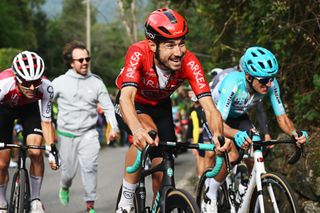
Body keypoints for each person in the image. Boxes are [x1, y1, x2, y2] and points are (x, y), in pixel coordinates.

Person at [114, 8, 225, 213]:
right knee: (146, 134)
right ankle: (126, 202)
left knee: (163, 174)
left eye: (182, 43)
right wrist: (137, 130)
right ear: (152, 44)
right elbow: (126, 97)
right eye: (170, 45)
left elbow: (209, 107)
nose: (178, 52)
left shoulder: (189, 62)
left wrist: (218, 135)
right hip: (131, 105)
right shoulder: (138, 53)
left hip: (161, 108)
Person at [201, 46, 309, 213]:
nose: (269, 83)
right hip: (216, 117)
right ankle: (211, 192)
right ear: (248, 76)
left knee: (256, 142)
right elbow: (219, 123)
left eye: (272, 78)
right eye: (264, 80)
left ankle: (246, 187)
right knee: (233, 154)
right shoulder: (233, 83)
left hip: (238, 116)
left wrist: (294, 133)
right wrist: (236, 134)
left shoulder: (270, 84)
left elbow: (282, 117)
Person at [52, 40, 119, 213]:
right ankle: (64, 186)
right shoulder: (59, 82)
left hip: (88, 134)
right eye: (80, 60)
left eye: (87, 59)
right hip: (66, 134)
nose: (85, 63)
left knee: (90, 168)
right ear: (71, 62)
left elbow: (108, 107)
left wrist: (113, 127)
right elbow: (44, 105)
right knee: (68, 173)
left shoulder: (96, 82)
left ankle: (90, 205)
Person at [0, 51, 59, 213]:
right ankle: (1, 203)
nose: (32, 87)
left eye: (36, 81)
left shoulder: (46, 87)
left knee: (35, 152)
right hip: (4, 110)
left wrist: (52, 149)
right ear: (16, 78)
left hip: (30, 110)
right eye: (26, 82)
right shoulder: (3, 84)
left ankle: (35, 199)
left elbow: (46, 121)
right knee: (2, 163)